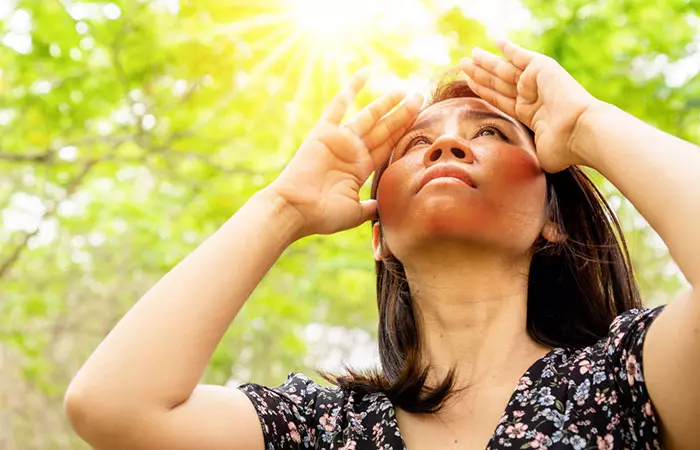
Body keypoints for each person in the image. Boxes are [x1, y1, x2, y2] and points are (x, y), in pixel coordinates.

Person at [64, 41, 700, 449]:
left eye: (491, 135)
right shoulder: (323, 429)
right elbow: (112, 406)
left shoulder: (627, 378)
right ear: (380, 240)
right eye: (415, 146)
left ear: (551, 222)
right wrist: (282, 208)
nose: (448, 147)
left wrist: (588, 126)